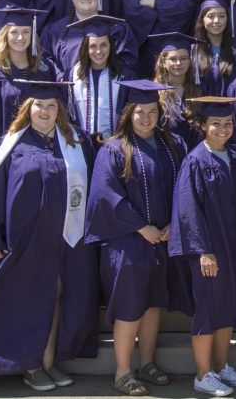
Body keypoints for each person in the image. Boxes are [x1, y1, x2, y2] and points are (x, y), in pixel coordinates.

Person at [0, 77, 103, 392]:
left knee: (58, 294)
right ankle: (29, 365)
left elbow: (91, 192)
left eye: (52, 106)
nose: (45, 112)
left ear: (60, 110)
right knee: (25, 298)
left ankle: (48, 362)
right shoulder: (11, 143)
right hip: (23, 239)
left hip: (66, 239)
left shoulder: (78, 142)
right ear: (27, 108)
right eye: (39, 105)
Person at [91, 79, 193, 395]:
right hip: (128, 242)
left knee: (153, 304)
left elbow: (185, 188)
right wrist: (140, 227)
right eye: (140, 112)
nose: (146, 118)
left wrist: (175, 225)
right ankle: (123, 371)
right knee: (130, 305)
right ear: (129, 113)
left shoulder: (172, 145)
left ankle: (147, 363)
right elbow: (105, 195)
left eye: (152, 111)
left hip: (163, 239)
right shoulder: (113, 149)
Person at [171, 95, 236, 398]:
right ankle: (202, 374)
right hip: (209, 250)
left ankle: (221, 367)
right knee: (208, 310)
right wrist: (202, 250)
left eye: (228, 123)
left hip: (235, 246)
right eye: (216, 124)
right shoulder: (196, 160)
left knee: (229, 307)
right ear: (203, 126)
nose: (223, 128)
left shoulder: (235, 156)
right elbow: (188, 209)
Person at [0, 8, 53, 136]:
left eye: (26, 32)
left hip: (39, 148)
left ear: (32, 35)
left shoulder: (44, 69)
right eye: (14, 32)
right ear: (5, 35)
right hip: (4, 146)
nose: (20, 37)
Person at [63, 12, 130, 143]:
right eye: (93, 46)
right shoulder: (72, 75)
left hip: (115, 147)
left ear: (111, 46)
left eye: (104, 45)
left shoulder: (124, 76)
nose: (98, 51)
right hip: (80, 145)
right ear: (85, 48)